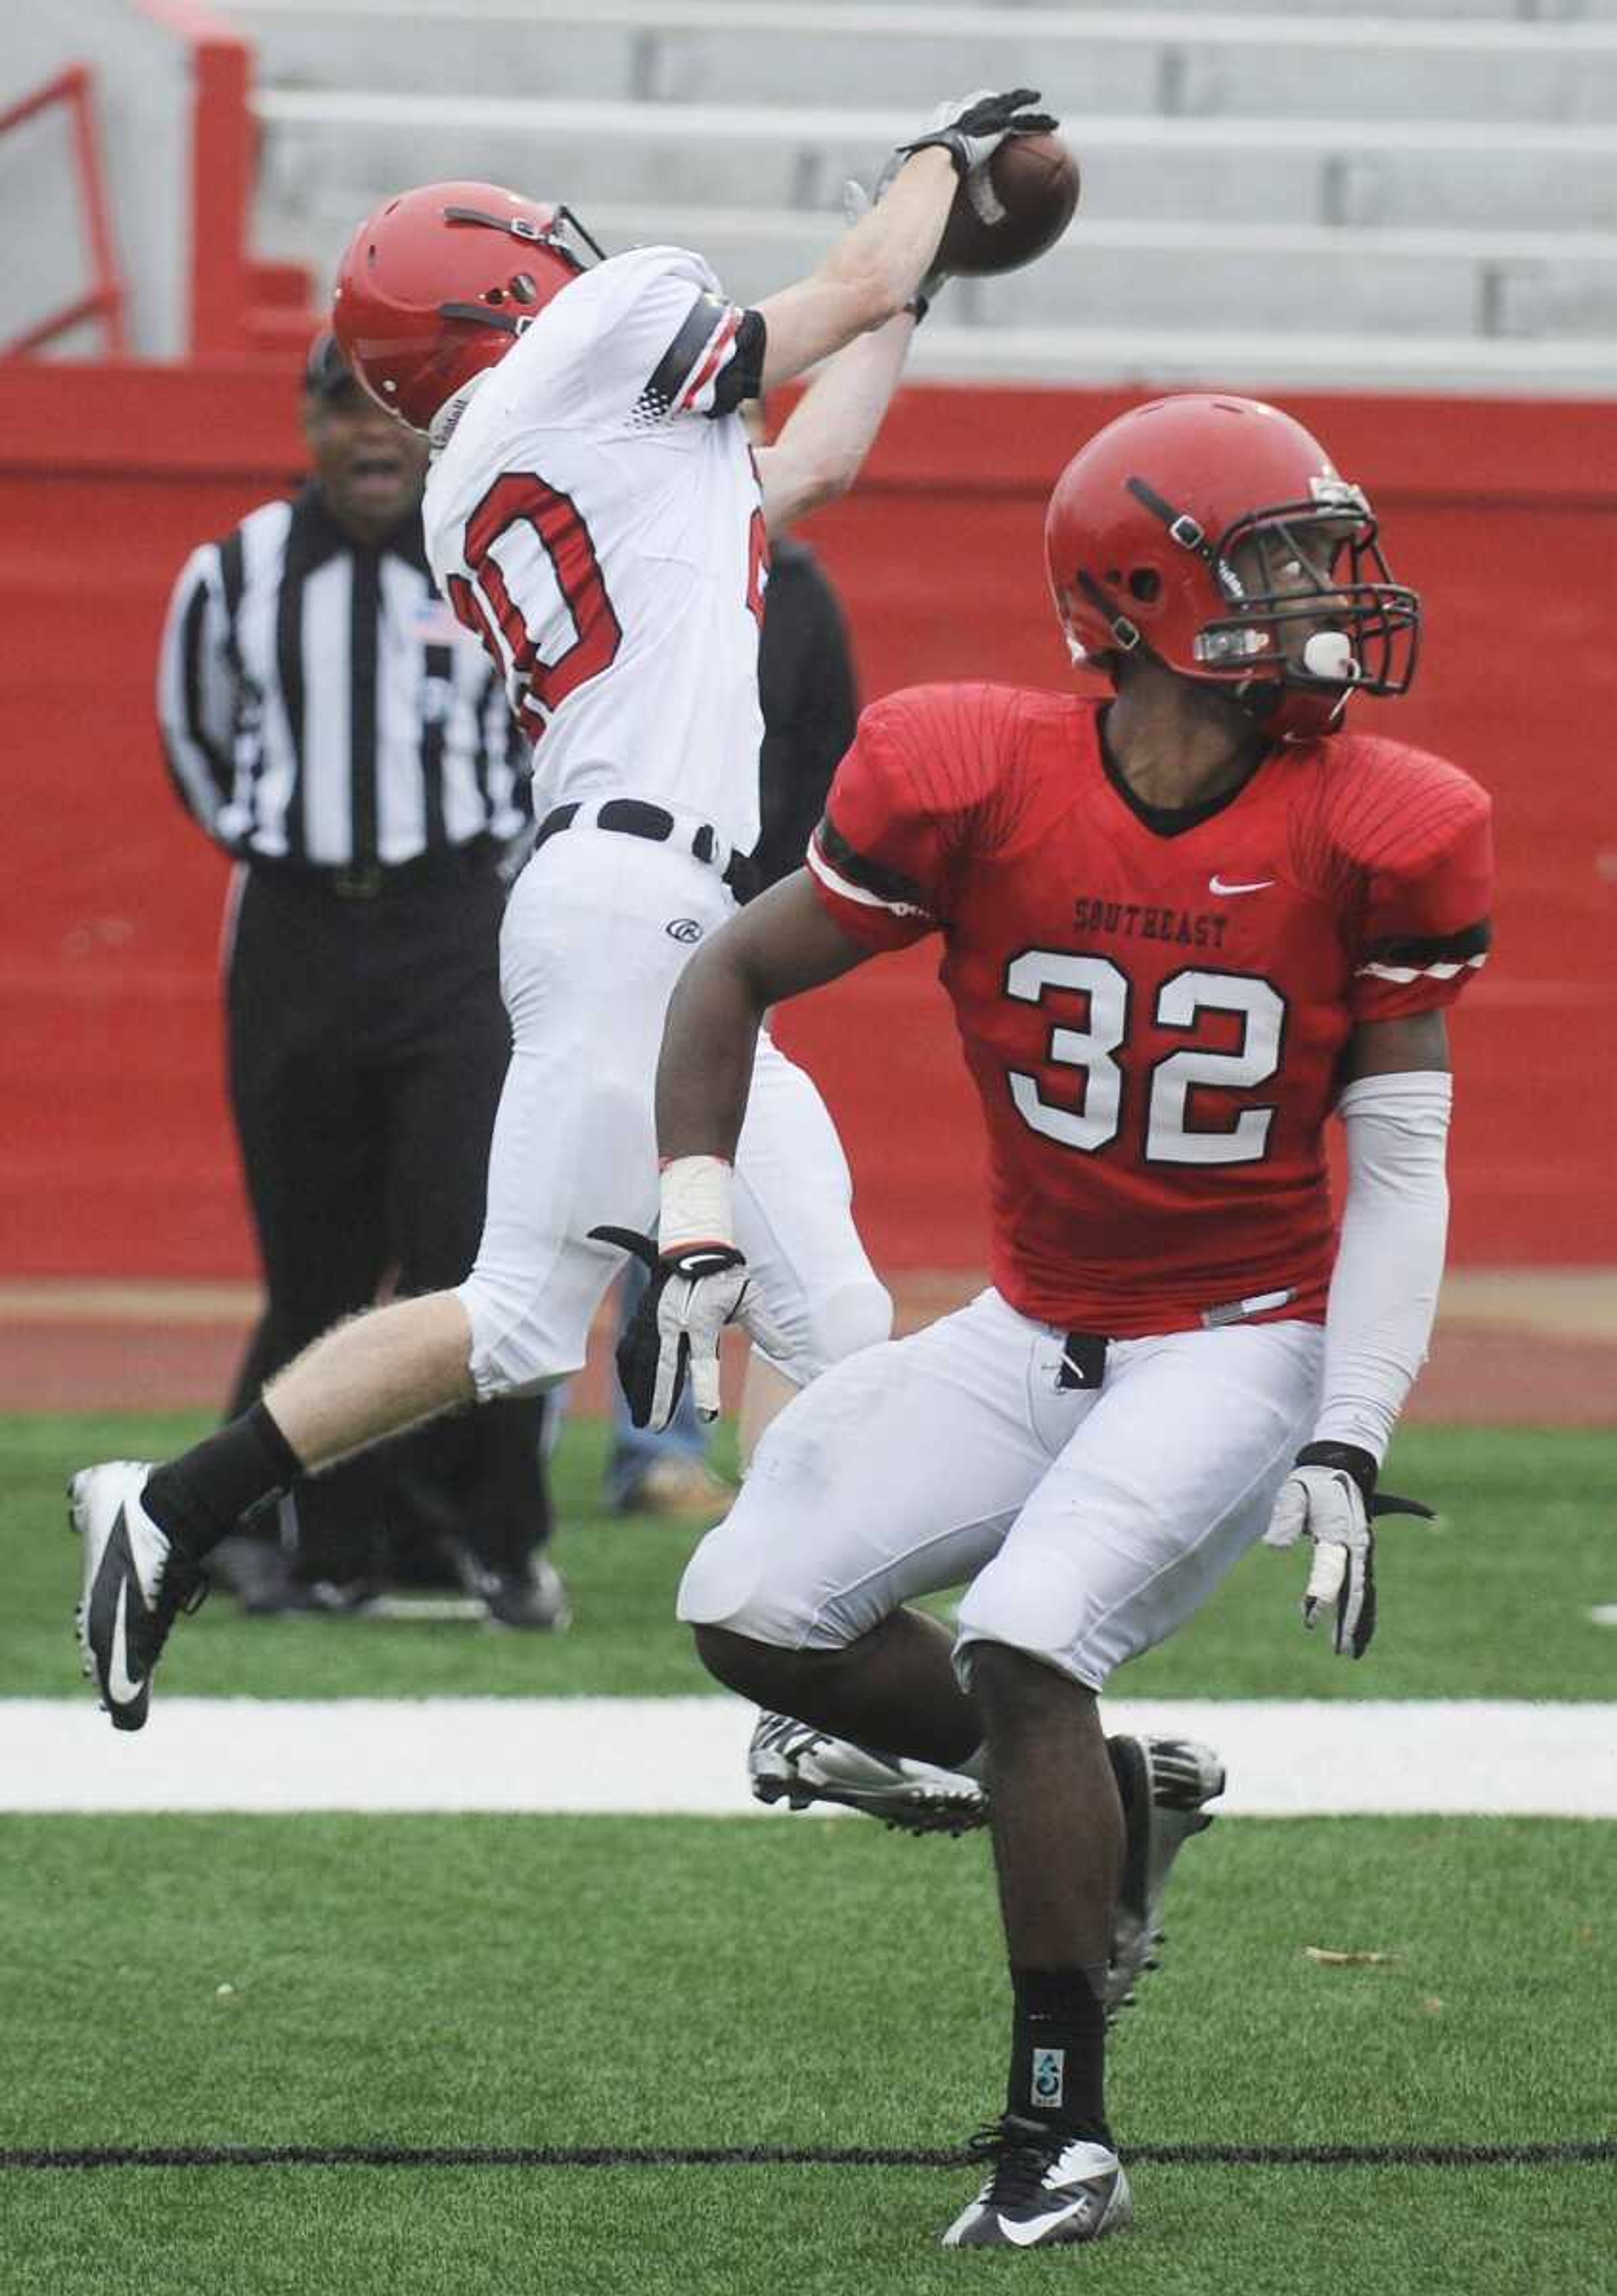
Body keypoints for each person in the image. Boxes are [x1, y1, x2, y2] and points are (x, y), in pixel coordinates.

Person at [609, 390, 1492, 2248]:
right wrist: (696, 1223)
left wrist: (1354, 1416)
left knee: (1024, 1638)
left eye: (1328, 560)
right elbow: (730, 971)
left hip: (1244, 1329)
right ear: (1143, 589)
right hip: (1039, 1321)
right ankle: (1110, 1805)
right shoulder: (971, 770)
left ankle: (1060, 2130)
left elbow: (1400, 1164)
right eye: (1281, 565)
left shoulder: (1386, 824)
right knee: (744, 1609)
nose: (1330, 599)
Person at [68, 90, 1061, 1730]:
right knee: (595, 1313)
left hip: (613, 895)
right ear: (499, 287)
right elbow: (839, 300)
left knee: (757, 1311)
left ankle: (177, 1507)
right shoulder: (602, 331)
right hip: (642, 904)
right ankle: (179, 1511)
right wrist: (929, 180)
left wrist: (927, 256)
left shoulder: (497, 481)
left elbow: (816, 452)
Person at [155, 330, 565, 1629]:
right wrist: (302, 847)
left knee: (467, 1249)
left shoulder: (488, 565)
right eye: (344, 412)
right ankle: (331, 1549)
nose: (370, 438)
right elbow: (199, 743)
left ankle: (490, 1541)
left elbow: (547, 728)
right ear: (306, 424)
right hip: (295, 937)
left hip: (455, 927)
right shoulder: (233, 573)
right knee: (315, 1261)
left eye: (395, 415)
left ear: (435, 431)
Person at [606, 403, 862, 1520]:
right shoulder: (619, 560)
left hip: (725, 920)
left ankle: (658, 1449)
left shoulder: (796, 593)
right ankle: (483, 1490)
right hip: (599, 909)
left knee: (694, 1181)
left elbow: (827, 761)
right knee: (541, 1208)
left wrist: (765, 918)